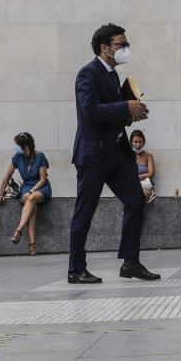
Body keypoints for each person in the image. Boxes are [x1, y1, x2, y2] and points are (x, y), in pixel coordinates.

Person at [68, 23, 160, 284]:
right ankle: (76, 269)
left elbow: (112, 113)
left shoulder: (112, 75)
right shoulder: (87, 73)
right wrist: (125, 106)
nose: (126, 49)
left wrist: (131, 115)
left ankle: (130, 262)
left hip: (117, 154)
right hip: (94, 155)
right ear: (105, 47)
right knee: (84, 212)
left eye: (126, 44)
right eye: (122, 44)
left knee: (135, 201)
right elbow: (91, 111)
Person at [0, 132, 52, 256]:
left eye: (20, 145)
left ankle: (19, 230)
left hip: (41, 187)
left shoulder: (40, 156)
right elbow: (7, 176)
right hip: (26, 187)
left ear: (27, 146)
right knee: (33, 206)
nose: (18, 148)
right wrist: (1, 193)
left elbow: (42, 179)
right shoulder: (17, 157)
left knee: (31, 198)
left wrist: (31, 191)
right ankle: (32, 246)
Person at [130, 130, 156, 203]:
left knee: (142, 195)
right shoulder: (128, 156)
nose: (138, 145)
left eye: (140, 142)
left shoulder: (148, 156)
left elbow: (151, 174)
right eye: (135, 142)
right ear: (131, 143)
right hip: (131, 186)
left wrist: (135, 177)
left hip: (145, 186)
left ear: (143, 142)